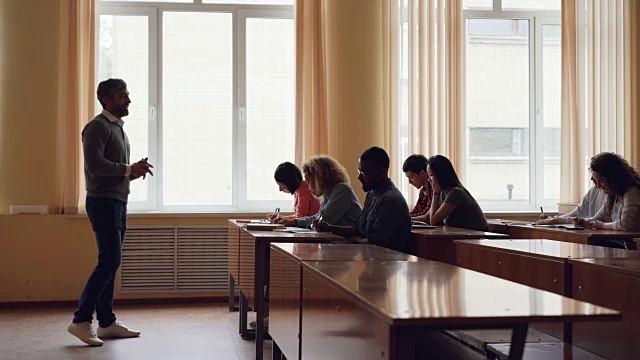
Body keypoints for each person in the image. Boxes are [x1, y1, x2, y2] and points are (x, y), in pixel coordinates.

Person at [68, 79, 153, 346]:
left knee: (111, 262)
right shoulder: (96, 127)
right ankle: (81, 321)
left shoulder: (117, 129)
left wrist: (133, 170)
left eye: (128, 95)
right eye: (121, 96)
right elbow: (95, 165)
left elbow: (113, 168)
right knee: (109, 262)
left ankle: (106, 323)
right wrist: (128, 169)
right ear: (106, 99)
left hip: (117, 201)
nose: (127, 100)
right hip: (103, 203)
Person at [316, 147, 412, 253]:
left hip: (388, 263)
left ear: (382, 172)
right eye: (359, 171)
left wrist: (356, 240)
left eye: (365, 173)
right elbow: (358, 229)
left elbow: (377, 243)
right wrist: (330, 228)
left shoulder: (390, 201)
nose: (359, 177)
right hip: (374, 260)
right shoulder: (372, 194)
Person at [277, 155, 362, 228]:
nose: (309, 188)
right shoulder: (330, 193)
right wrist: (293, 222)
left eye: (309, 182)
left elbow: (323, 220)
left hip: (348, 243)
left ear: (319, 179)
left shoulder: (342, 190)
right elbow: (317, 217)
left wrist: (293, 222)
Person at [573, 153, 640, 245]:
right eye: (595, 181)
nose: (597, 186)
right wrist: (586, 222)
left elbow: (626, 224)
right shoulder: (613, 194)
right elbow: (600, 217)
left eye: (601, 181)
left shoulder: (632, 191)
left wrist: (602, 225)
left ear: (613, 178)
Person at [427, 155, 488, 231]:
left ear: (441, 174)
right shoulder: (443, 193)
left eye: (431, 175)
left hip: (476, 236)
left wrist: (435, 194)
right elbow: (433, 218)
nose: (429, 180)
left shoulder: (456, 193)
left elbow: (433, 221)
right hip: (461, 235)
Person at [535, 186, 606, 225]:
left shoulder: (611, 194)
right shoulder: (594, 190)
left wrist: (558, 220)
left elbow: (597, 219)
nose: (592, 178)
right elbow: (576, 213)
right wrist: (552, 218)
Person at [403, 154, 433, 224]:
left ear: (422, 173)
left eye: (411, 177)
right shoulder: (423, 191)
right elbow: (416, 211)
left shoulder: (434, 191)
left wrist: (404, 219)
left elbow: (425, 216)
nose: (409, 182)